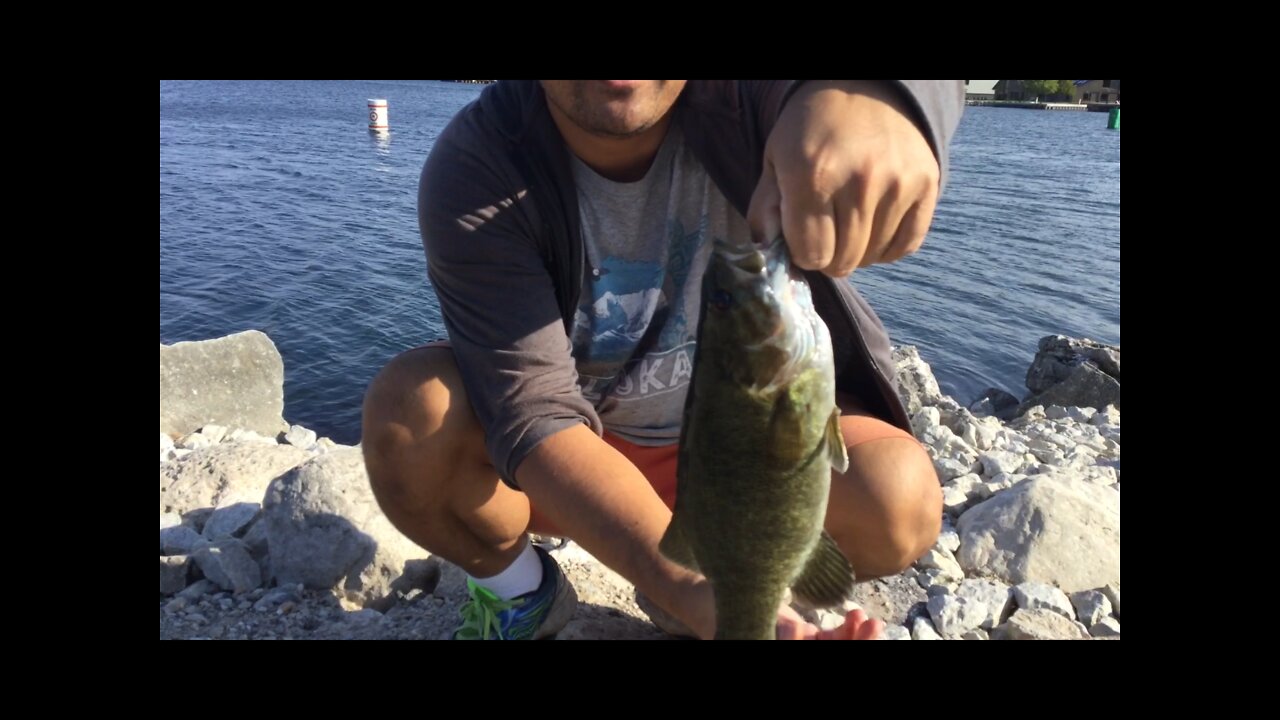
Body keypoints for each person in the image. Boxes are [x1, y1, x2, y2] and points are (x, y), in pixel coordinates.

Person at [363, 80, 964, 640]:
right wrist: (687, 587)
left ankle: (717, 580)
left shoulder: (751, 100)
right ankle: (521, 592)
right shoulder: (478, 169)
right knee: (411, 415)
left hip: (747, 449)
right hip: (588, 453)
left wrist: (881, 98)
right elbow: (536, 417)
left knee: (898, 495)